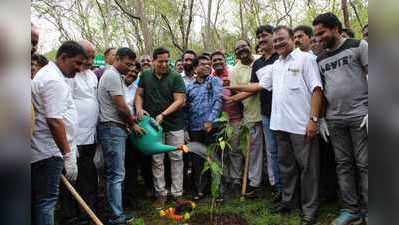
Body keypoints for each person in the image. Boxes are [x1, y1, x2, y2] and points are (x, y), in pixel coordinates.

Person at [228, 25, 323, 225]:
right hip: (280, 126)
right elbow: (258, 86)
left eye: (282, 39)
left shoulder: (306, 59)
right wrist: (233, 87)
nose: (279, 43)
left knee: (308, 169)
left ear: (291, 39)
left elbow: (317, 90)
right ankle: (289, 202)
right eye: (276, 40)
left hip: (302, 126)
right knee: (286, 167)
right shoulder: (276, 65)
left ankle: (310, 209)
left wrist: (313, 120)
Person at [313, 12, 368, 225]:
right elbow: (322, 89)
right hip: (335, 119)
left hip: (360, 115)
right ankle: (351, 209)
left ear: (336, 28)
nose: (319, 38)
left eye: (322, 33)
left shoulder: (358, 46)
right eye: (316, 35)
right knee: (343, 164)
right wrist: (322, 118)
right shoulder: (320, 58)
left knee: (365, 164)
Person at [31, 41, 87, 225]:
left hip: (46, 149)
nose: (79, 68)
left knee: (42, 201)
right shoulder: (53, 80)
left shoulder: (50, 75)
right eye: (77, 63)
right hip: (49, 151)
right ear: (63, 58)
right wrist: (68, 154)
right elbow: (54, 120)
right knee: (46, 201)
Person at [98, 47, 145, 225]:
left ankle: (117, 213)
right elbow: (121, 106)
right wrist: (132, 124)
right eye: (127, 64)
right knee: (116, 174)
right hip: (111, 129)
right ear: (116, 59)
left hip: (116, 128)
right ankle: (116, 217)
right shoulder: (111, 75)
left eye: (132, 65)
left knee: (117, 173)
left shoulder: (117, 76)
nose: (129, 68)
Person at [135, 47, 186, 209]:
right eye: (160, 61)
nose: (164, 64)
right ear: (153, 60)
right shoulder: (145, 75)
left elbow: (180, 100)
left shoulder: (176, 77)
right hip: (152, 127)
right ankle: (161, 194)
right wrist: (138, 108)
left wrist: (163, 115)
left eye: (167, 61)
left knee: (176, 157)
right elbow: (138, 95)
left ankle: (177, 194)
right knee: (157, 160)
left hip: (174, 124)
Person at [58, 40, 100, 225]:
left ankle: (88, 211)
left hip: (90, 135)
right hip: (72, 138)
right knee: (70, 177)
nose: (90, 61)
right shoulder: (69, 76)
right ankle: (71, 216)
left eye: (92, 57)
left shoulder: (92, 76)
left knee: (88, 175)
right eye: (87, 57)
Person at [228, 39, 264, 197]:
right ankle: (255, 184)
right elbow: (237, 94)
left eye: (244, 46)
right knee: (254, 153)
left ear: (250, 47)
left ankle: (274, 182)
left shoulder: (260, 60)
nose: (241, 49)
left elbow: (266, 83)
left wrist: (256, 87)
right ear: (235, 53)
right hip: (251, 115)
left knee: (272, 152)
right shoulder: (235, 71)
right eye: (237, 48)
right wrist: (255, 89)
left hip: (271, 112)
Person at [251, 25, 282, 199]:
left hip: (285, 113)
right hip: (266, 114)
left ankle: (291, 188)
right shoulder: (257, 63)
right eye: (259, 37)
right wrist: (233, 97)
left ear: (273, 36)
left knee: (286, 152)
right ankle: (278, 187)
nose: (262, 40)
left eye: (265, 36)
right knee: (272, 152)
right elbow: (253, 88)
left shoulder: (281, 57)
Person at [186, 55, 223, 200]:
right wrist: (186, 128)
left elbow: (218, 101)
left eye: (209, 64)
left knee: (214, 158)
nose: (208, 66)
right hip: (195, 129)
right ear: (195, 68)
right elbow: (186, 108)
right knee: (197, 160)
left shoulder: (215, 81)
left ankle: (217, 191)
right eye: (203, 64)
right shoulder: (189, 87)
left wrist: (210, 120)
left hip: (211, 127)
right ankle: (201, 190)